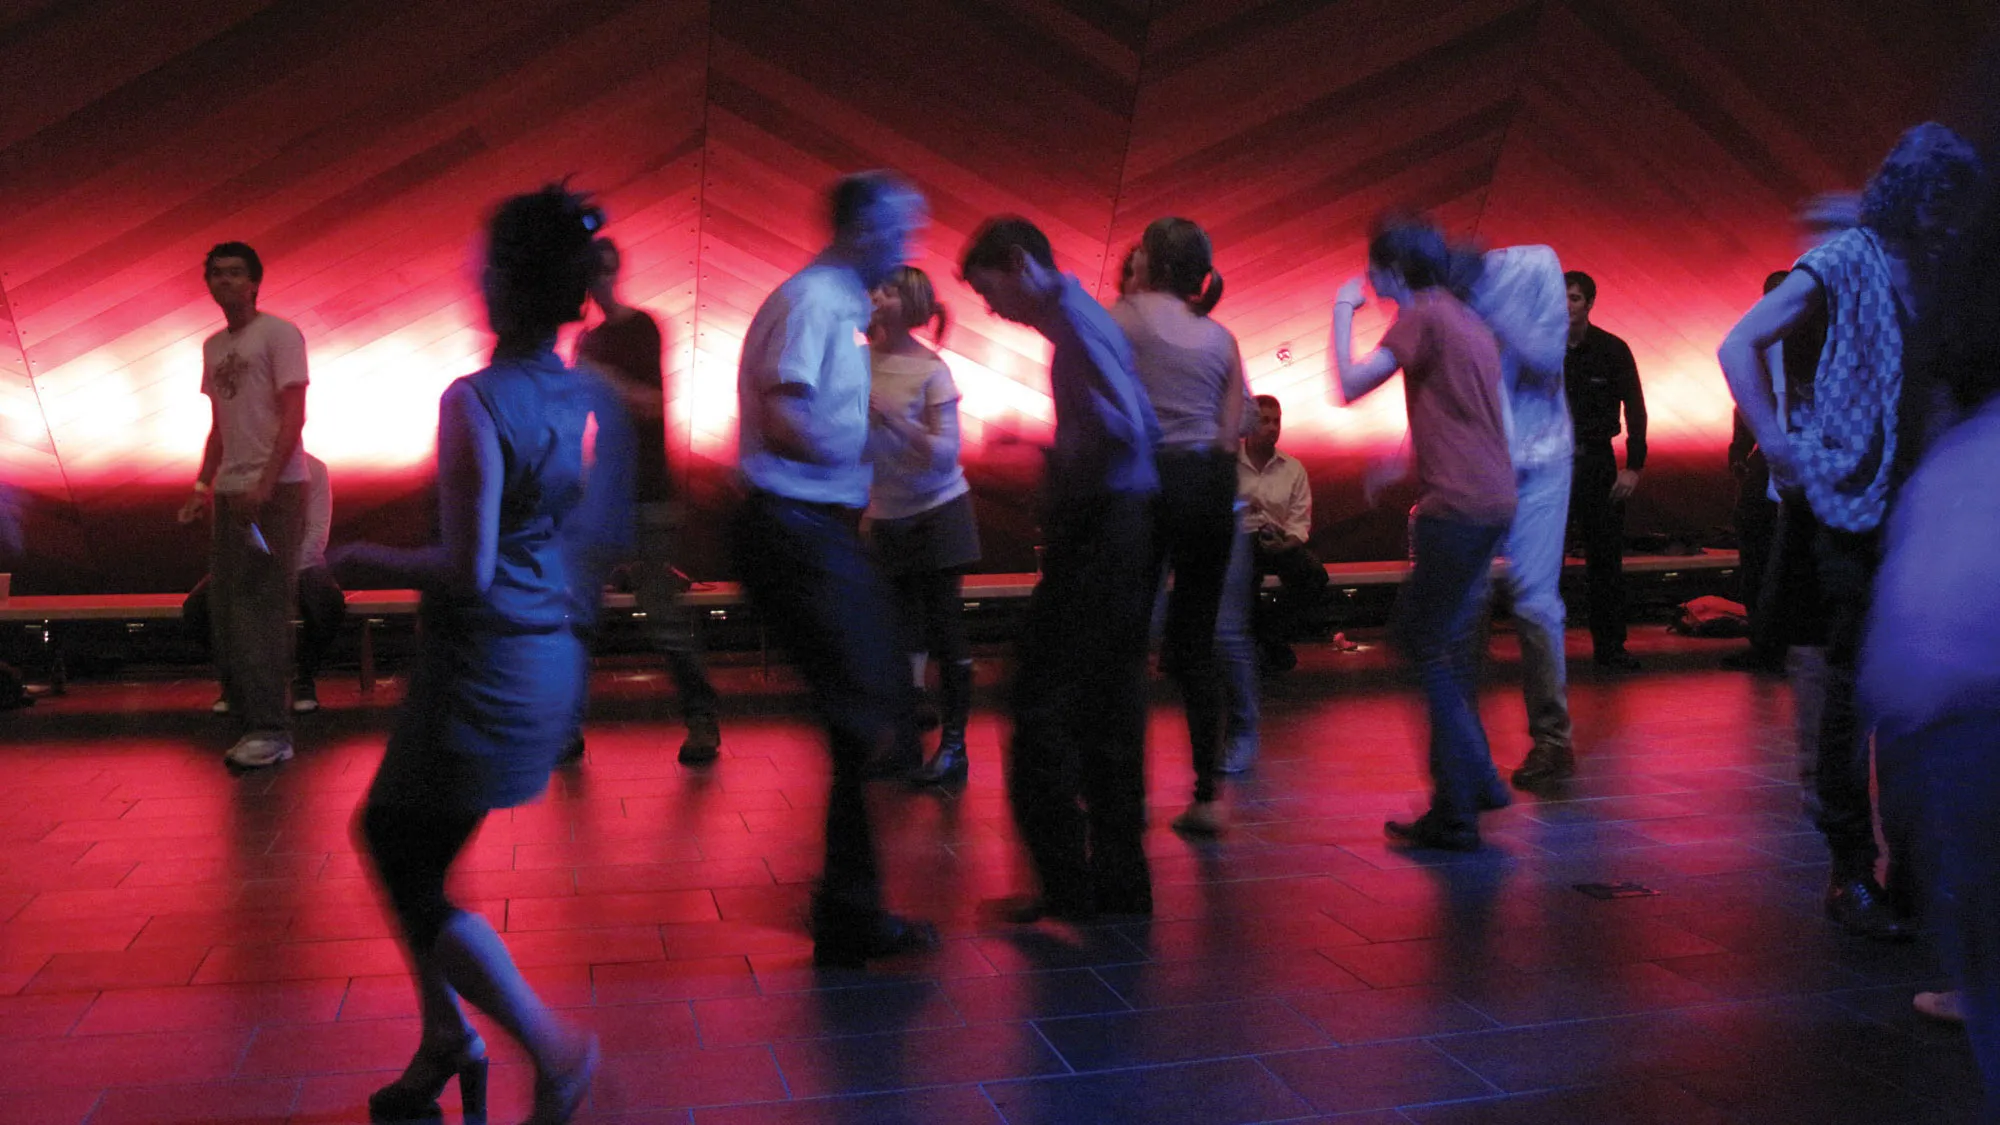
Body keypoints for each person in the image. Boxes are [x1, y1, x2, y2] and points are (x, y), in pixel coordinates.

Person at [328, 185, 613, 1125]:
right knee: (411, 847)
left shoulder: (477, 400)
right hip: (543, 656)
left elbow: (464, 566)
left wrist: (356, 558)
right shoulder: (579, 393)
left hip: (481, 665)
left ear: (503, 283)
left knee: (402, 858)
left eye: (484, 263)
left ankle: (550, 1046)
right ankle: (443, 1035)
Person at [1722, 122, 1984, 942]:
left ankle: (1913, 869)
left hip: (1927, 500)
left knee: (1919, 693)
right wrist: (1775, 442)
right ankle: (1847, 866)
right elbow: (1741, 342)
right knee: (1852, 689)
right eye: (1938, 201)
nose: (1948, 217)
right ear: (1910, 194)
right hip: (1848, 502)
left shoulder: (1948, 274)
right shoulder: (1848, 260)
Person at [732, 171, 939, 967]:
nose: (905, 246)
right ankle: (850, 910)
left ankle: (850, 907)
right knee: (873, 707)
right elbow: (784, 416)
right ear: (861, 228)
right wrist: (860, 441)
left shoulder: (834, 306)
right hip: (797, 528)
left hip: (808, 528)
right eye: (897, 229)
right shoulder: (816, 301)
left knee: (872, 711)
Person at [961, 216, 1161, 920]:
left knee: (1039, 703)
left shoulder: (1077, 324)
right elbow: (1144, 425)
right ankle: (1117, 882)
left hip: (1103, 531)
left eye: (992, 294)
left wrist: (1049, 460)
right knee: (1109, 706)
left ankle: (1067, 881)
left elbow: (1125, 427)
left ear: (1019, 263)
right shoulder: (1084, 323)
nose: (994, 311)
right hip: (1122, 528)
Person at [1332, 215, 1516, 852]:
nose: (1367, 279)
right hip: (1492, 500)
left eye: (1372, 268)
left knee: (1419, 646)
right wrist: (1399, 461)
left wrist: (1340, 311)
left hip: (1457, 507)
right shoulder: (1468, 321)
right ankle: (1474, 787)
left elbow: (1350, 386)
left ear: (1390, 269)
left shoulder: (1422, 316)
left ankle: (1464, 800)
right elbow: (1462, 414)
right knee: (1442, 645)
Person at [1111, 218, 1243, 838]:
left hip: (1146, 482)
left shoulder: (1124, 319)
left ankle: (1124, 793)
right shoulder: (1220, 337)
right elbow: (1228, 430)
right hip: (1211, 486)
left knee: (1126, 638)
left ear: (1153, 261)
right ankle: (1207, 794)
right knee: (1195, 643)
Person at [572, 237, 722, 765]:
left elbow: (653, 405)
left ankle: (703, 720)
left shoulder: (640, 329)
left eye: (607, 270)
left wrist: (598, 379)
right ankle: (565, 728)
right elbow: (584, 424)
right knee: (578, 612)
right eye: (596, 272)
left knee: (660, 614)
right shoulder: (586, 343)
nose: (602, 281)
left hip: (649, 492)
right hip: (607, 495)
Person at [176, 241, 312, 769]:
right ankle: (248, 717)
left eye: (236, 273)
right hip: (232, 491)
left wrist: (267, 482)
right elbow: (219, 427)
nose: (225, 281)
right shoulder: (213, 347)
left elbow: (294, 415)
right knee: (228, 608)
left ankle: (272, 730)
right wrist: (200, 487)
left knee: (262, 606)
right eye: (216, 274)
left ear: (255, 282)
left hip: (274, 490)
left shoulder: (279, 334)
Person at [1465, 245, 1578, 789]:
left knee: (1534, 601)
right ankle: (1464, 751)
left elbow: (1548, 356)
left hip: (1542, 459)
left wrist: (1493, 303)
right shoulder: (1456, 293)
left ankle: (1553, 740)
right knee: (1463, 605)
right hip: (1484, 460)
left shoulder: (1534, 267)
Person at [864, 265, 980, 788]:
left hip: (938, 512)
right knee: (893, 636)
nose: (873, 296)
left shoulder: (932, 371)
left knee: (944, 633)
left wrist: (896, 419)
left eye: (885, 290)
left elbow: (946, 454)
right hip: (887, 514)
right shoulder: (858, 360)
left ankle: (954, 749)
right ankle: (907, 744)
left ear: (907, 304)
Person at [184, 454, 345, 714]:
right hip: (249, 562)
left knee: (327, 602)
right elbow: (233, 532)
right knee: (197, 608)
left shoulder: (314, 469)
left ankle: (303, 678)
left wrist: (287, 568)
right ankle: (237, 681)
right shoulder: (240, 468)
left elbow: (317, 530)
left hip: (301, 564)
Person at [1562, 270, 1648, 671]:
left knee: (1606, 560)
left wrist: (1633, 466)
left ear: (1589, 303)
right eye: (1562, 298)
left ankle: (1611, 647)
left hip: (1597, 461)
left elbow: (1635, 409)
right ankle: (1546, 650)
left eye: (1575, 298)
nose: (1567, 305)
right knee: (1544, 562)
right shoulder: (1543, 351)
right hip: (1552, 466)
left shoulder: (1612, 350)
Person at [1721, 272, 1794, 674]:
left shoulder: (1769, 341)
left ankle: (1773, 643)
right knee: (1759, 541)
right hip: (1774, 449)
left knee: (1768, 545)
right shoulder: (1770, 344)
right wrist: (1738, 446)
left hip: (1782, 449)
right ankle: (1768, 641)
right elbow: (1746, 400)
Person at [1237, 396, 1326, 671]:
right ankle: (1268, 642)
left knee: (1313, 576)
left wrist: (1284, 544)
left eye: (1277, 421)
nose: (1273, 427)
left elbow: (1299, 522)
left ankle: (1269, 634)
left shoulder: (1293, 468)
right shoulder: (1228, 462)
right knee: (1243, 577)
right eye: (1265, 421)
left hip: (1277, 541)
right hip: (1238, 542)